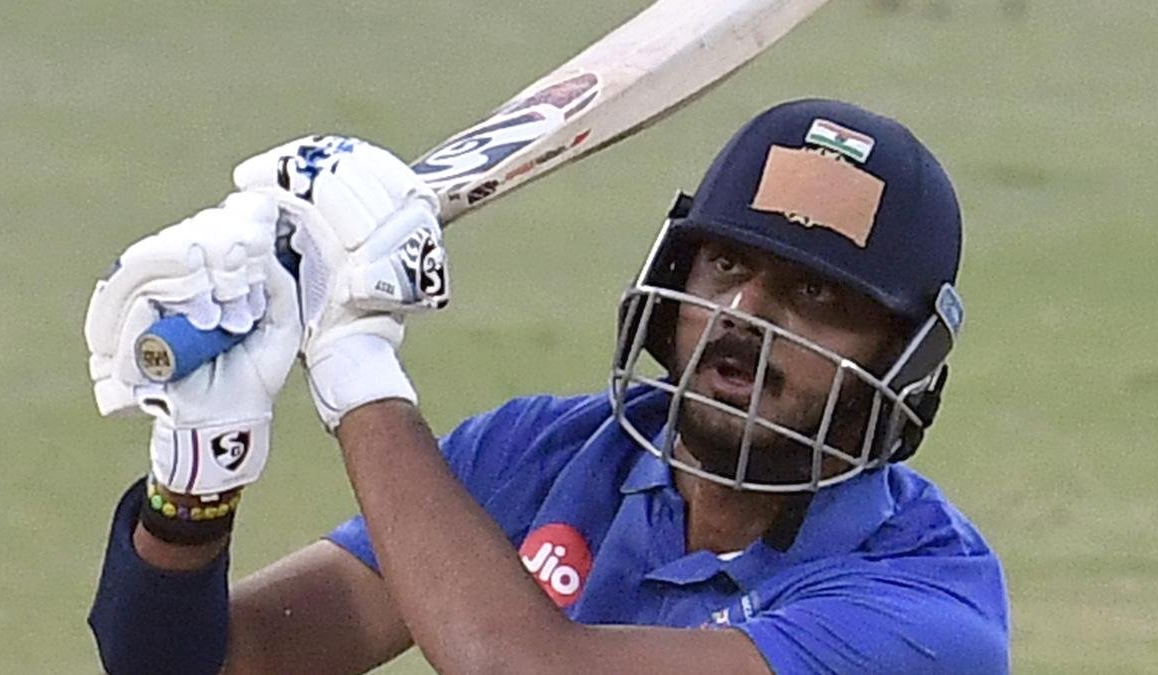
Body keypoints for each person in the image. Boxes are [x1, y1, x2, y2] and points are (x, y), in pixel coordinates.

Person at [85, 99, 1009, 674]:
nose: (745, 314)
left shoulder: (928, 614)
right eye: (727, 264)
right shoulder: (543, 455)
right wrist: (198, 478)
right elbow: (213, 664)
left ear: (903, 360)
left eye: (816, 296)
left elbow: (519, 667)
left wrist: (352, 359)